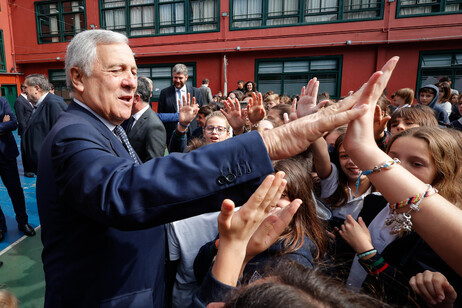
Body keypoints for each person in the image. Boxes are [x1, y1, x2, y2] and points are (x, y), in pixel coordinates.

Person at [37, 29, 384, 307]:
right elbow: (124, 192)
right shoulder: (74, 134)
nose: (132, 82)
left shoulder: (102, 127)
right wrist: (269, 144)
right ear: (77, 78)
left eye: (133, 71)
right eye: (117, 70)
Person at [0, 97, 35, 241]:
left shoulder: (2, 102)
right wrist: (2, 126)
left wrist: (6, 125)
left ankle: (23, 221)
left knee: (15, 190)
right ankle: (1, 226)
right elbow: (7, 125)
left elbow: (13, 123)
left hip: (6, 155)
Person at [21, 74, 67, 174]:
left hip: (52, 169)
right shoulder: (40, 104)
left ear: (36, 88)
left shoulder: (53, 104)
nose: (23, 91)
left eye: (25, 87)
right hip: (43, 167)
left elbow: (63, 136)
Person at [158, 64, 203, 144]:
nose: (178, 80)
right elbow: (161, 116)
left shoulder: (196, 92)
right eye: (175, 77)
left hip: (193, 134)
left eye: (180, 78)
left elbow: (202, 114)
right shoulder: (164, 93)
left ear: (186, 77)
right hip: (172, 135)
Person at [125, 77, 166, 161]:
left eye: (127, 97)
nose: (124, 100)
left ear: (136, 98)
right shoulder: (131, 118)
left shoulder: (154, 126)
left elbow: (153, 164)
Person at [13, 83, 35, 177]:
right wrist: (25, 131)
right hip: (25, 131)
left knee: (31, 149)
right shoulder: (19, 101)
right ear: (23, 89)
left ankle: (32, 167)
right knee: (25, 150)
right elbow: (20, 119)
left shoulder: (29, 99)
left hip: (32, 129)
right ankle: (27, 170)